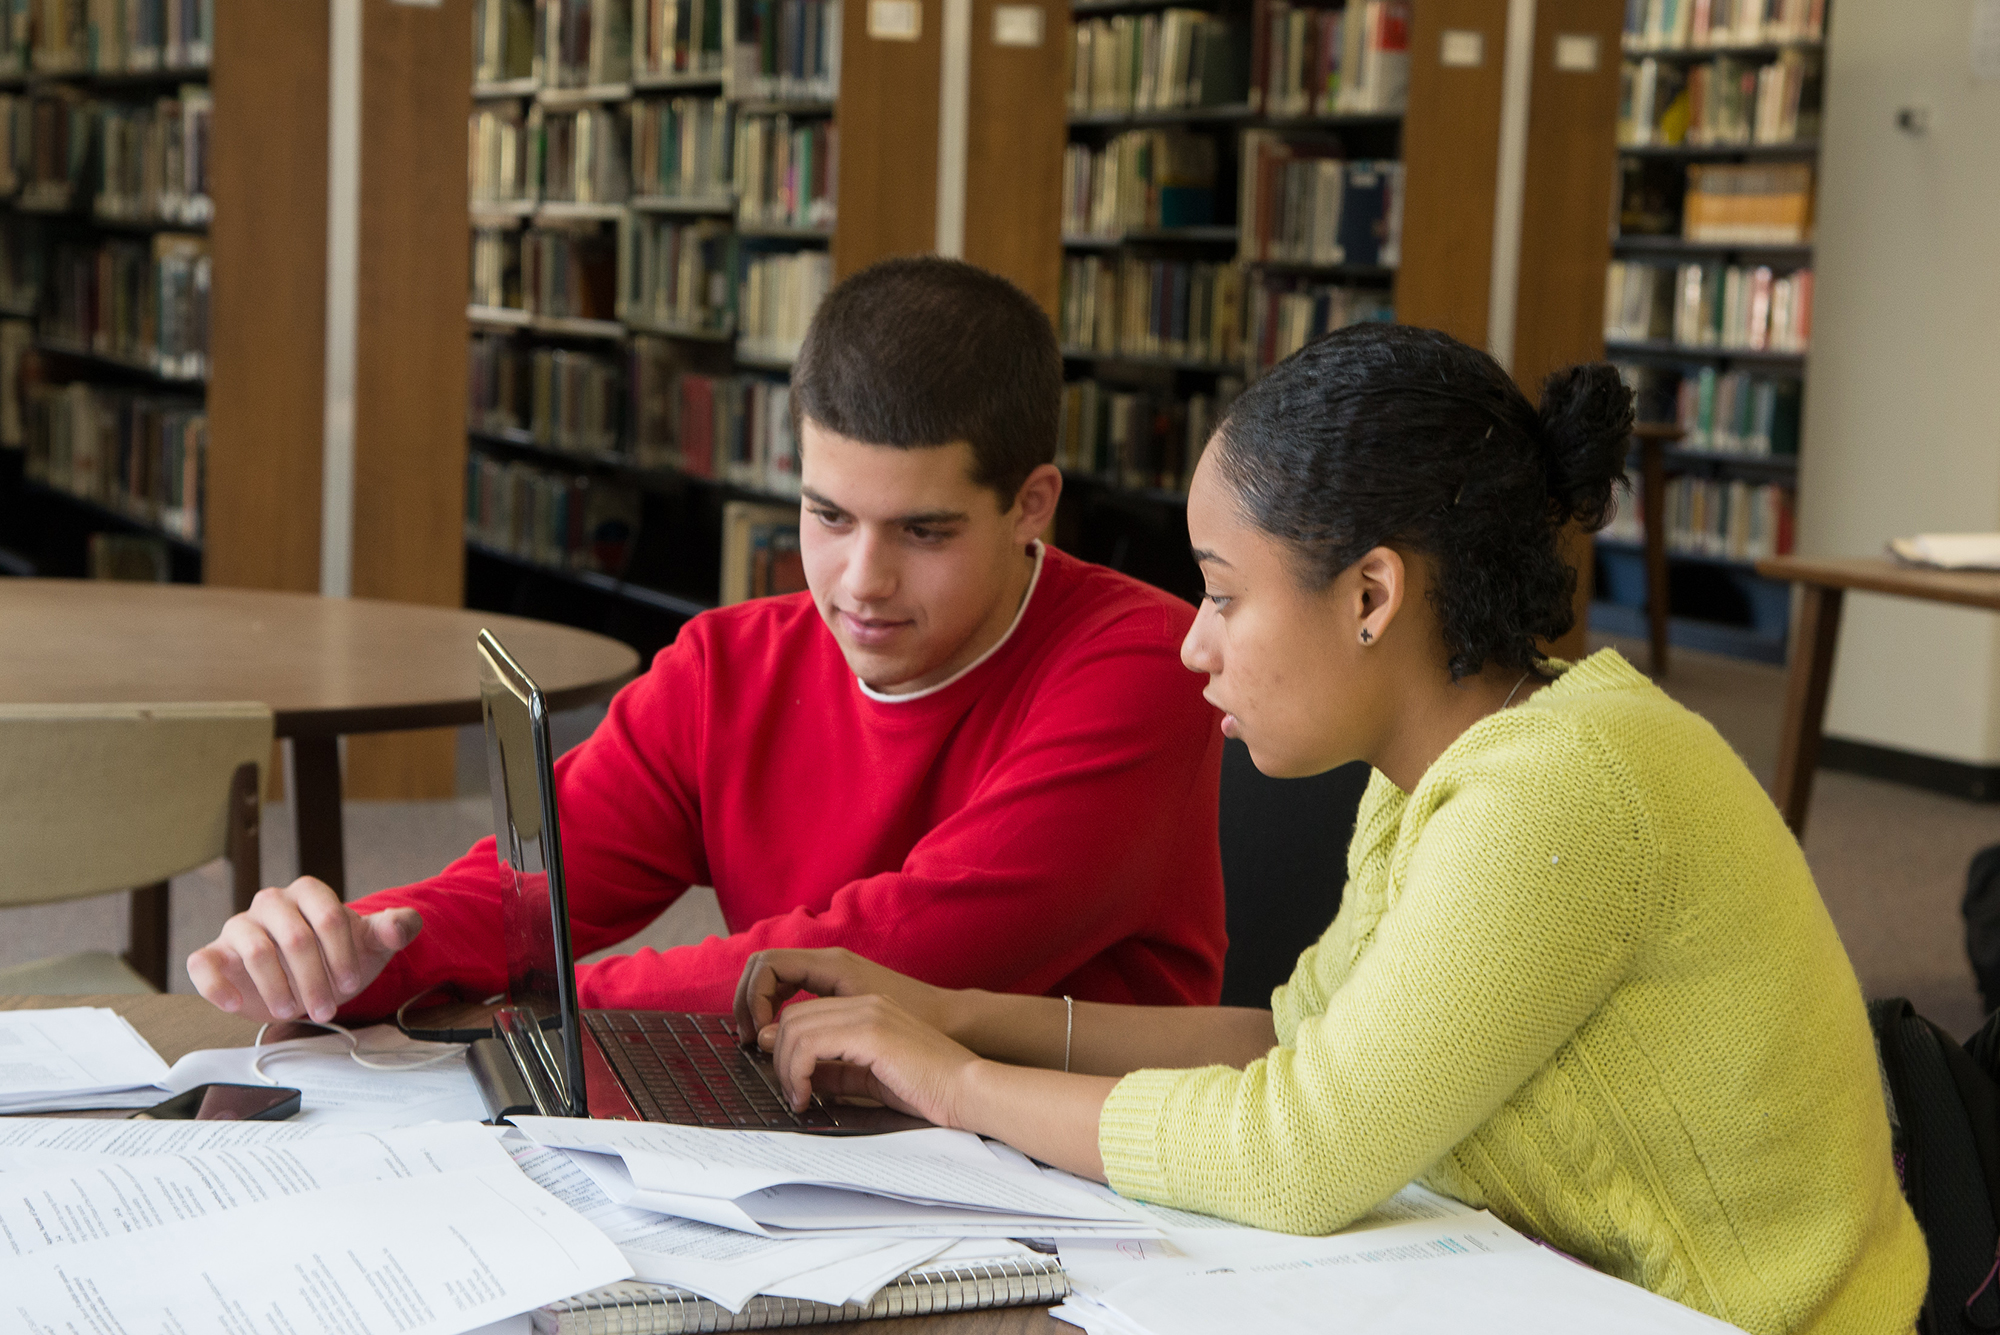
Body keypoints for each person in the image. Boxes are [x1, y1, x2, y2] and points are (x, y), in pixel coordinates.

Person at [732, 324, 1928, 1334]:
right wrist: (945, 1011)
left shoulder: (1558, 790)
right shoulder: (1435, 769)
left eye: (1222, 592)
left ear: (1369, 596)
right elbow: (1292, 1047)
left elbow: (1292, 1149)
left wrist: (951, 1084)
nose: (1193, 643)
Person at [186, 257, 1227, 1027]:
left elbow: (897, 956)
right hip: (805, 1131)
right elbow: (525, 889)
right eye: (826, 518)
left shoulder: (1145, 665)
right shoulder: (727, 666)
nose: (859, 582)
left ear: (1029, 505)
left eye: (922, 531)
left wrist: (535, 999)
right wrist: (355, 948)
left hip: (1062, 1190)